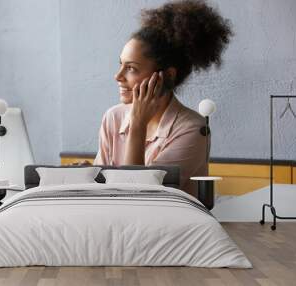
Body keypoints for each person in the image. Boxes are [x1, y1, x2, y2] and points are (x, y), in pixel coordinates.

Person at [93, 0, 233, 197]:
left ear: (167, 75)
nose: (118, 76)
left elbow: (137, 197)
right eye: (120, 65)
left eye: (131, 68)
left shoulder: (194, 130)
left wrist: (138, 124)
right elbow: (100, 189)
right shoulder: (113, 117)